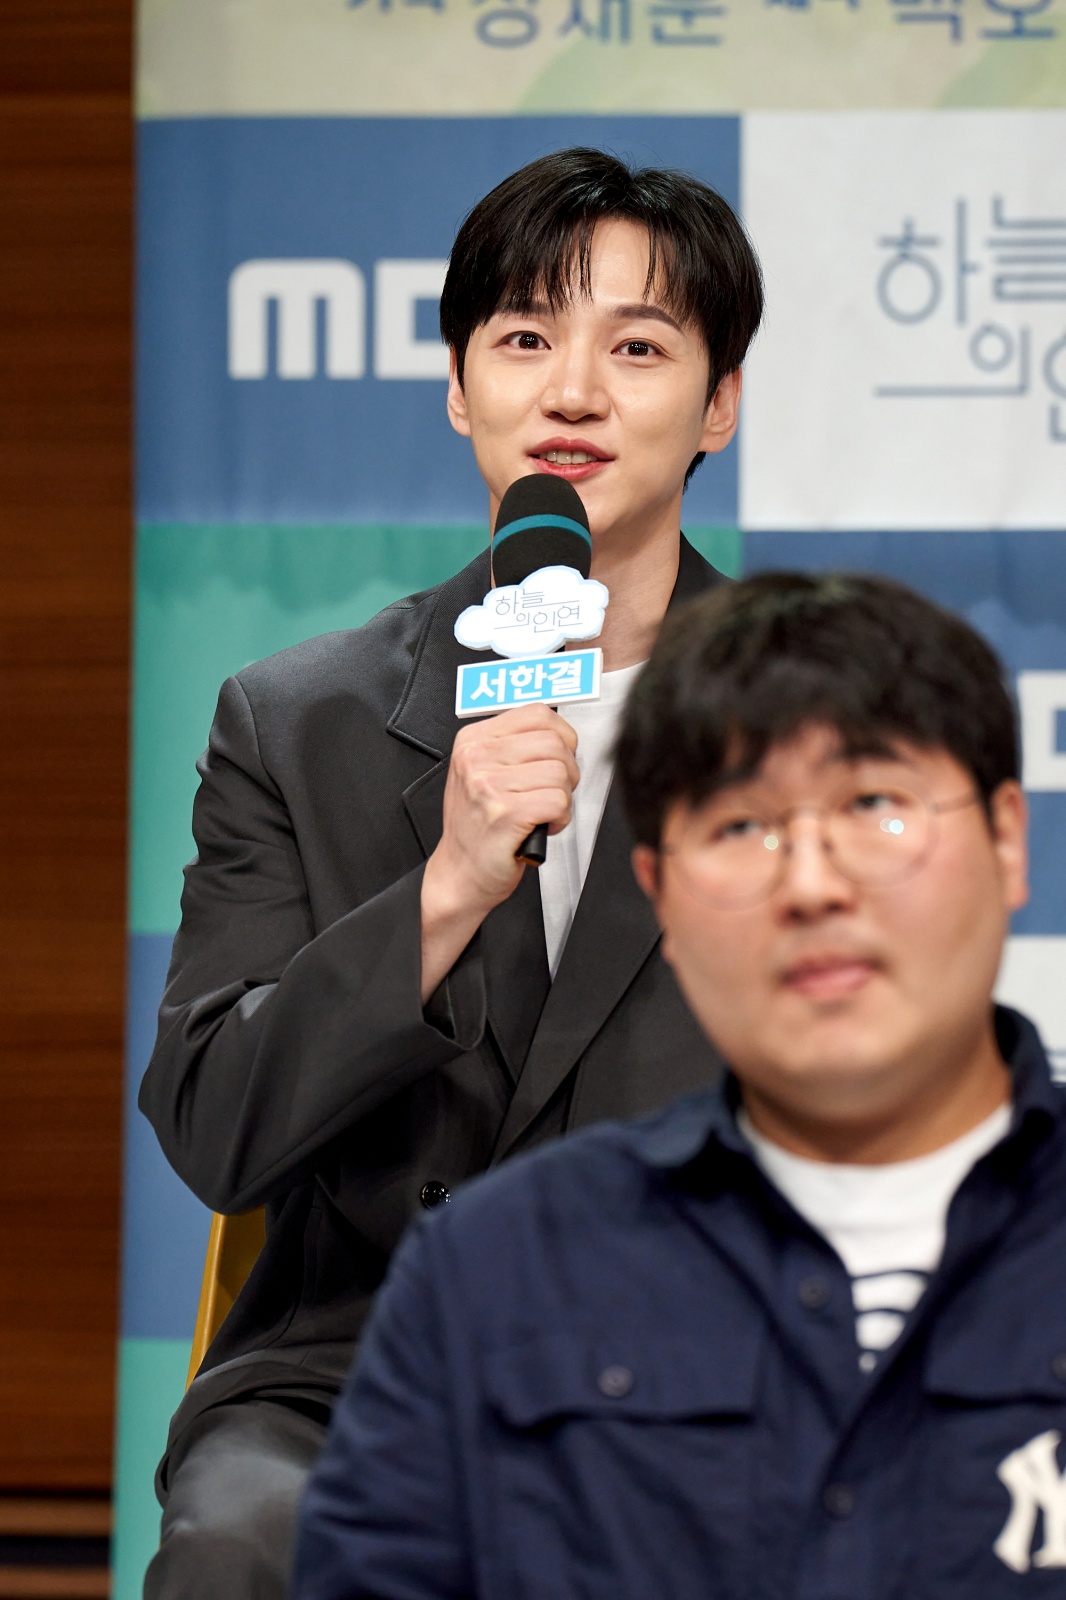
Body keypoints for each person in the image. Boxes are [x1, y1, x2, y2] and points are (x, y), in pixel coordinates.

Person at [139, 146, 764, 1598]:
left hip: (700, 1373)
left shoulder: (812, 715)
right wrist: (447, 889)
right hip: (354, 1373)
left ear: (717, 404)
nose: (573, 392)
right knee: (239, 1545)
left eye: (637, 348)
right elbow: (219, 1126)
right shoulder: (297, 722)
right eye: (525, 339)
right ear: (458, 387)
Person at [294, 571, 1066, 1600]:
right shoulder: (494, 1276)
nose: (811, 884)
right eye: (740, 827)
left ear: (1007, 839)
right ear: (659, 892)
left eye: (874, 804)